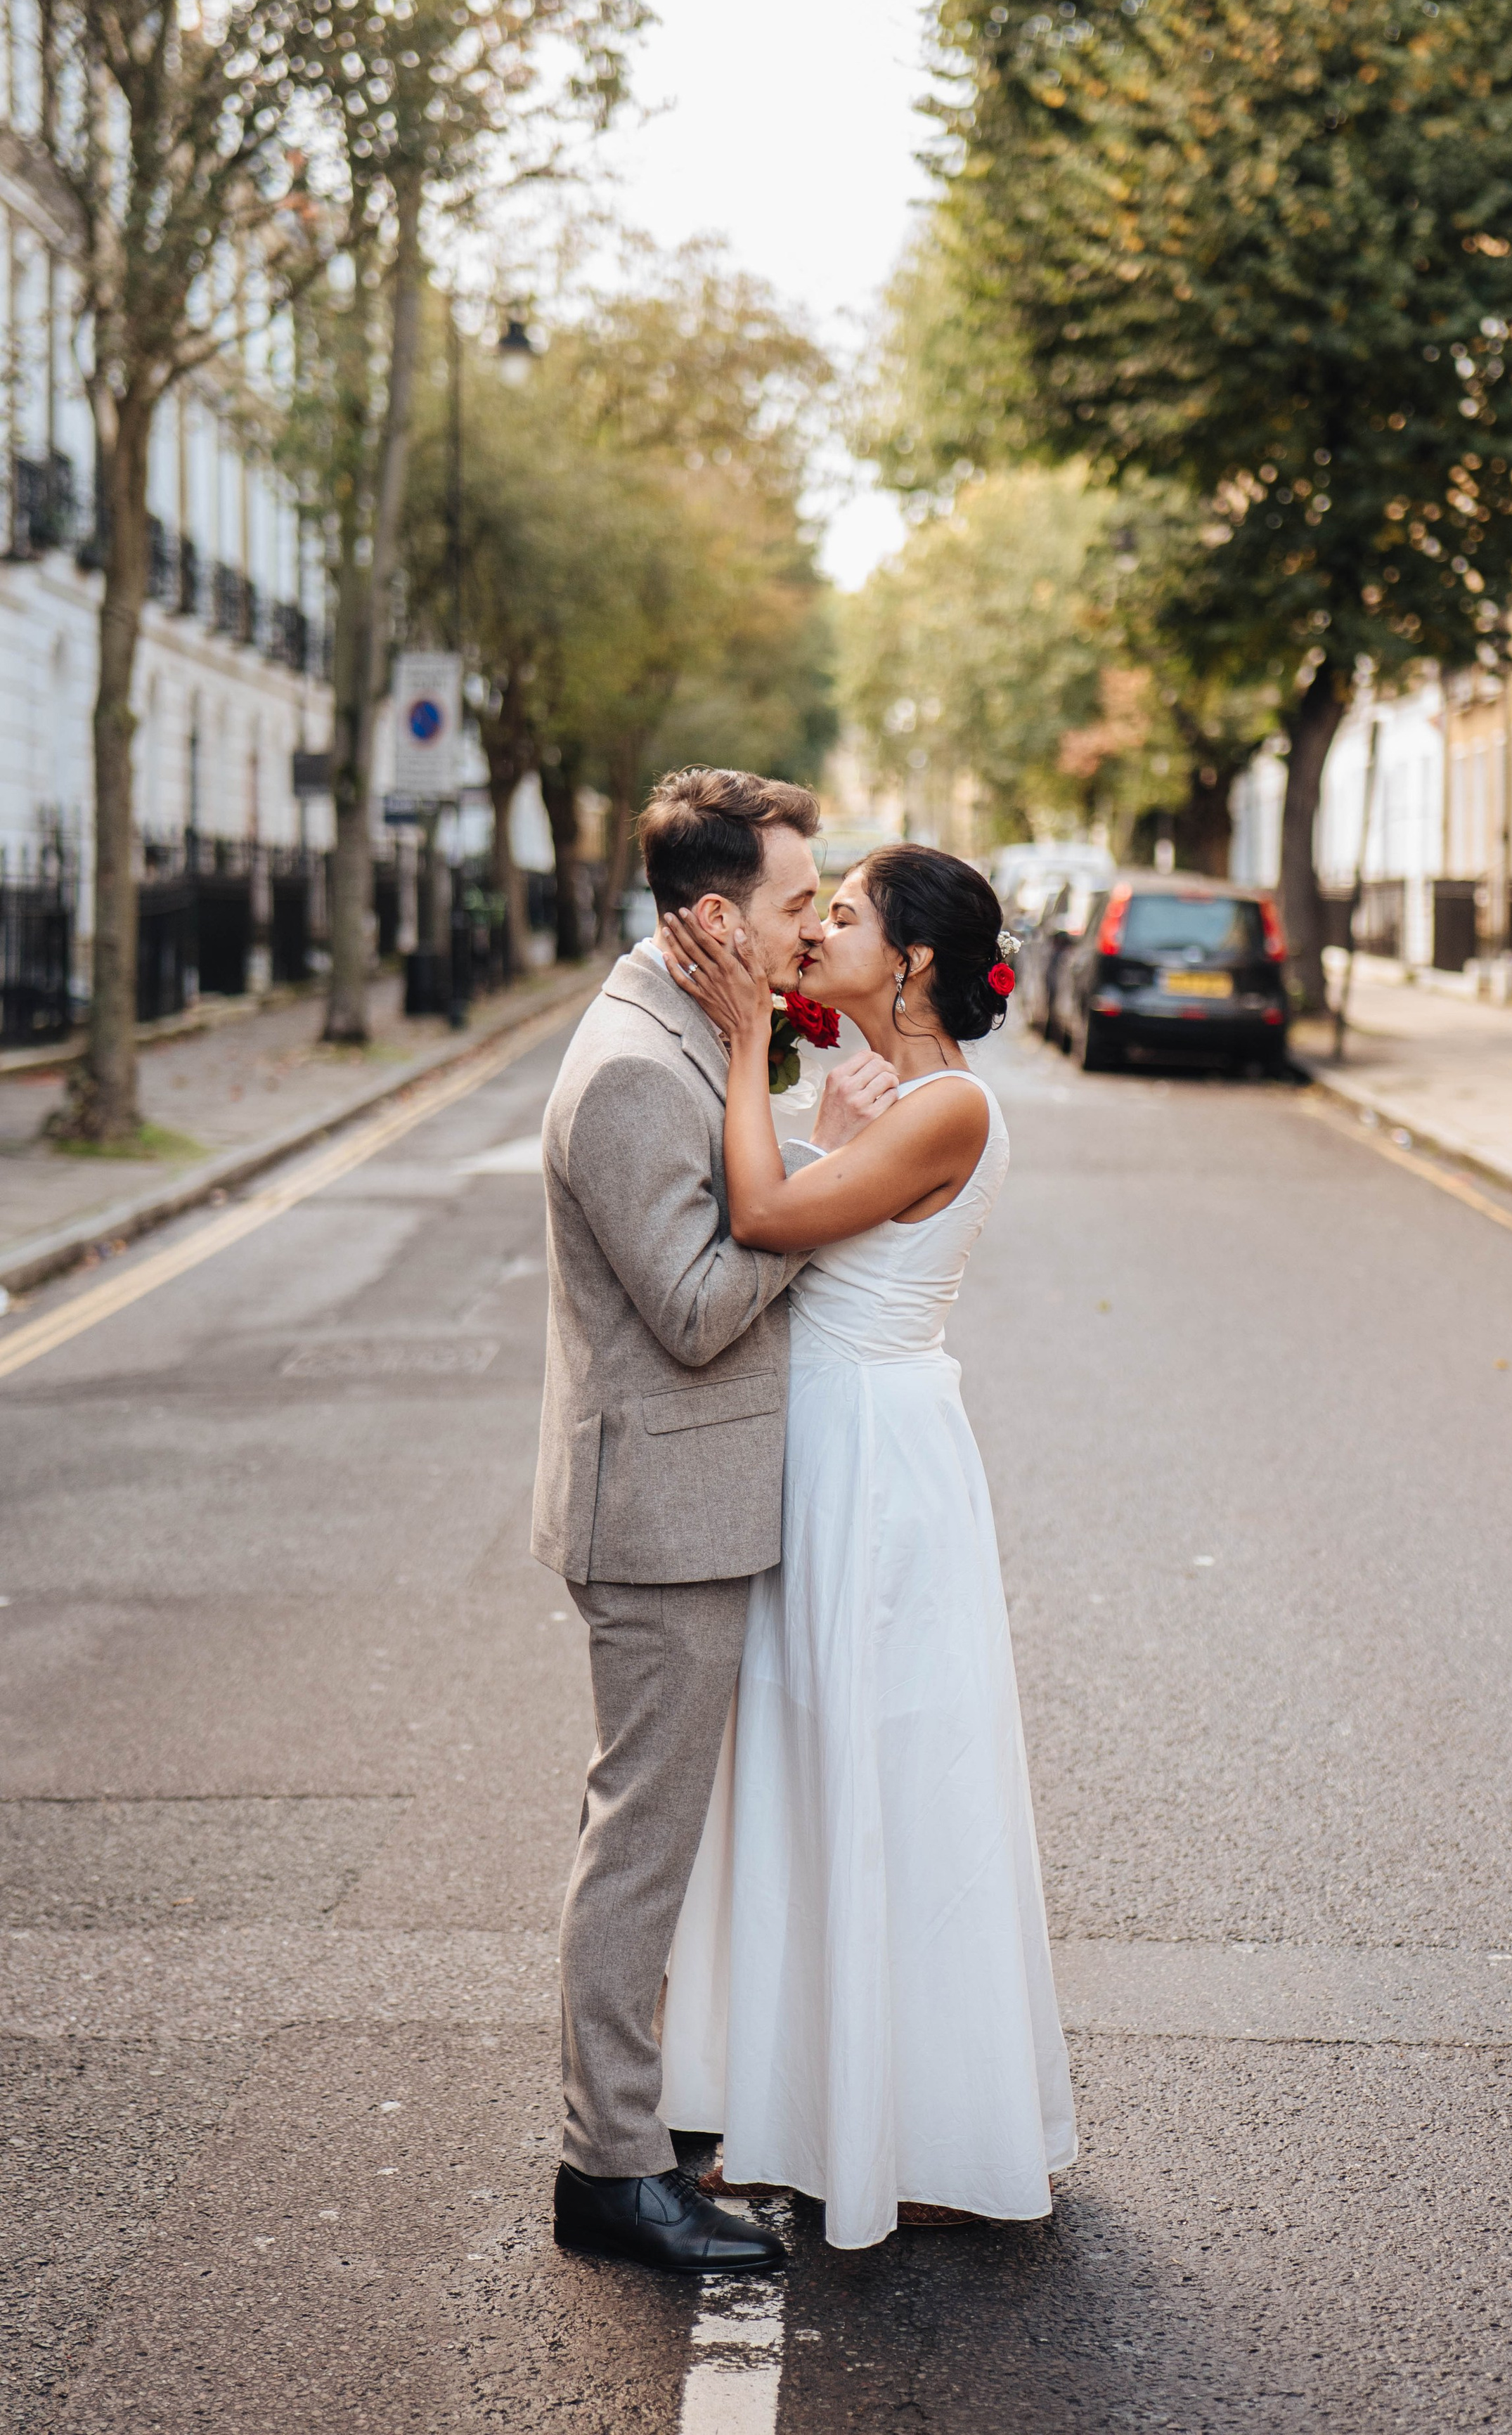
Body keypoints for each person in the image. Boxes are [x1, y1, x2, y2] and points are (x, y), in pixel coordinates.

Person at [658, 843, 1077, 2251]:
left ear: (907, 961)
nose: (816, 924)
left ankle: (909, 2117)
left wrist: (739, 1047)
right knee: (801, 1761)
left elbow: (768, 1215)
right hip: (821, 1446)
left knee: (886, 1772)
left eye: (841, 912)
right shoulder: (868, 1090)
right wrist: (784, 1077)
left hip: (877, 1468)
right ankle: (793, 2093)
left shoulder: (945, 1105)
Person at [534, 768, 898, 2278]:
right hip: (659, 1518)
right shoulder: (632, 1065)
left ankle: (649, 2116)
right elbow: (691, 1309)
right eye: (793, 903)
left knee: (659, 1835)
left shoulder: (691, 1028)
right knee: (638, 1843)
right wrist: (821, 1199)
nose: (811, 923)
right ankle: (608, 2171)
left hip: (692, 1500)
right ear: (709, 919)